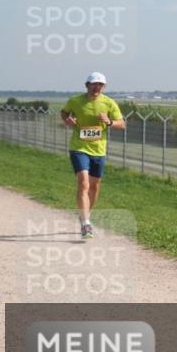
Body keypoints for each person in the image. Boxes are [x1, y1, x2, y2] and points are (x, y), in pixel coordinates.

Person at [60, 72, 125, 240]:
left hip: (99, 150)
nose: (97, 87)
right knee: (83, 183)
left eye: (100, 85)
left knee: (95, 187)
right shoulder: (75, 101)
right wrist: (67, 119)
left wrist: (109, 122)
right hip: (79, 147)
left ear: (104, 87)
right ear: (86, 85)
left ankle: (85, 214)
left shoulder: (109, 103)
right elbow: (64, 112)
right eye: (94, 84)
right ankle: (86, 223)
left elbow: (122, 124)